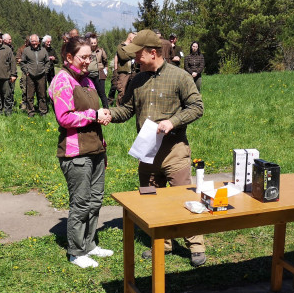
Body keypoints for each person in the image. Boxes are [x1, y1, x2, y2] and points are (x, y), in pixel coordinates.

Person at [109, 29, 206, 267]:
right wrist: (107, 114)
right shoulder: (137, 80)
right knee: (152, 200)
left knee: (184, 197)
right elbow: (127, 110)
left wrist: (173, 121)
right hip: (147, 151)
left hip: (174, 150)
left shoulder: (180, 76)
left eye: (138, 54)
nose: (135, 59)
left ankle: (195, 245)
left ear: (153, 53)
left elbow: (197, 107)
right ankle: (163, 244)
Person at [48, 36, 113, 268]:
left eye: (90, 57)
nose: (87, 61)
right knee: (81, 202)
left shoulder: (87, 80)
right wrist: (94, 115)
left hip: (95, 149)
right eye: (83, 57)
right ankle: (76, 251)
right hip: (75, 153)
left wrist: (102, 120)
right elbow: (64, 118)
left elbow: (94, 112)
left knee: (95, 200)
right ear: (69, 57)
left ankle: (90, 244)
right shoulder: (62, 81)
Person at [21, 34, 50, 117]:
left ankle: (43, 111)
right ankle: (30, 111)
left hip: (41, 76)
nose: (34, 43)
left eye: (35, 41)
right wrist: (26, 71)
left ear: (38, 41)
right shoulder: (26, 50)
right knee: (30, 95)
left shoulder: (43, 50)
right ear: (30, 42)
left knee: (42, 95)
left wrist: (45, 71)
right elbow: (23, 62)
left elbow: (47, 61)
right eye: (32, 41)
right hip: (30, 76)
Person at [87, 35, 109, 108]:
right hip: (88, 75)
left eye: (95, 43)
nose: (93, 44)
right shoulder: (86, 51)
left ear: (97, 42)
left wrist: (106, 70)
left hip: (99, 74)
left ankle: (106, 108)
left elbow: (105, 61)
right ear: (89, 43)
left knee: (102, 93)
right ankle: (91, 109)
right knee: (89, 94)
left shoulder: (101, 51)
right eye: (92, 43)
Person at [114, 32, 136, 105]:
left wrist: (128, 54)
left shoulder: (133, 46)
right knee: (121, 90)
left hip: (132, 72)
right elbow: (123, 56)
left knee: (131, 91)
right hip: (123, 72)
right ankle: (119, 107)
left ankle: (128, 106)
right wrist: (133, 54)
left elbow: (136, 54)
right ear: (130, 38)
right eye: (134, 38)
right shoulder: (120, 46)